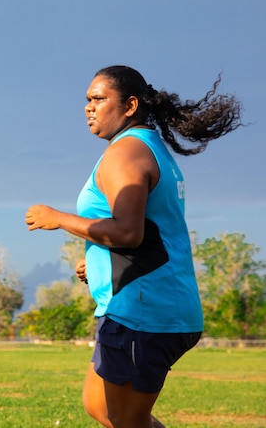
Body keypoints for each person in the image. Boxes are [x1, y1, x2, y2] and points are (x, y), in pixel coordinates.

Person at [24, 65, 242, 428]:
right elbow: (150, 230)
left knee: (127, 421)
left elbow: (128, 233)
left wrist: (57, 218)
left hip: (144, 311)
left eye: (98, 99)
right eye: (87, 100)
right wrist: (96, 262)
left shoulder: (125, 154)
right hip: (151, 303)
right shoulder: (148, 147)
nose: (88, 107)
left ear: (130, 106)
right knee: (101, 407)